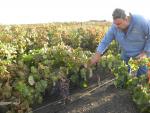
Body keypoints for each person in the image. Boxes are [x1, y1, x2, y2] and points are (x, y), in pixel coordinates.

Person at [85, 8, 150, 77]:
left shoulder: (140, 21)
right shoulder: (115, 27)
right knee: (122, 73)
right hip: (126, 52)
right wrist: (97, 54)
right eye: (115, 24)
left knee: (142, 77)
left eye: (118, 24)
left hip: (141, 52)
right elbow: (105, 41)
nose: (116, 26)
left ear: (126, 19)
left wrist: (145, 53)